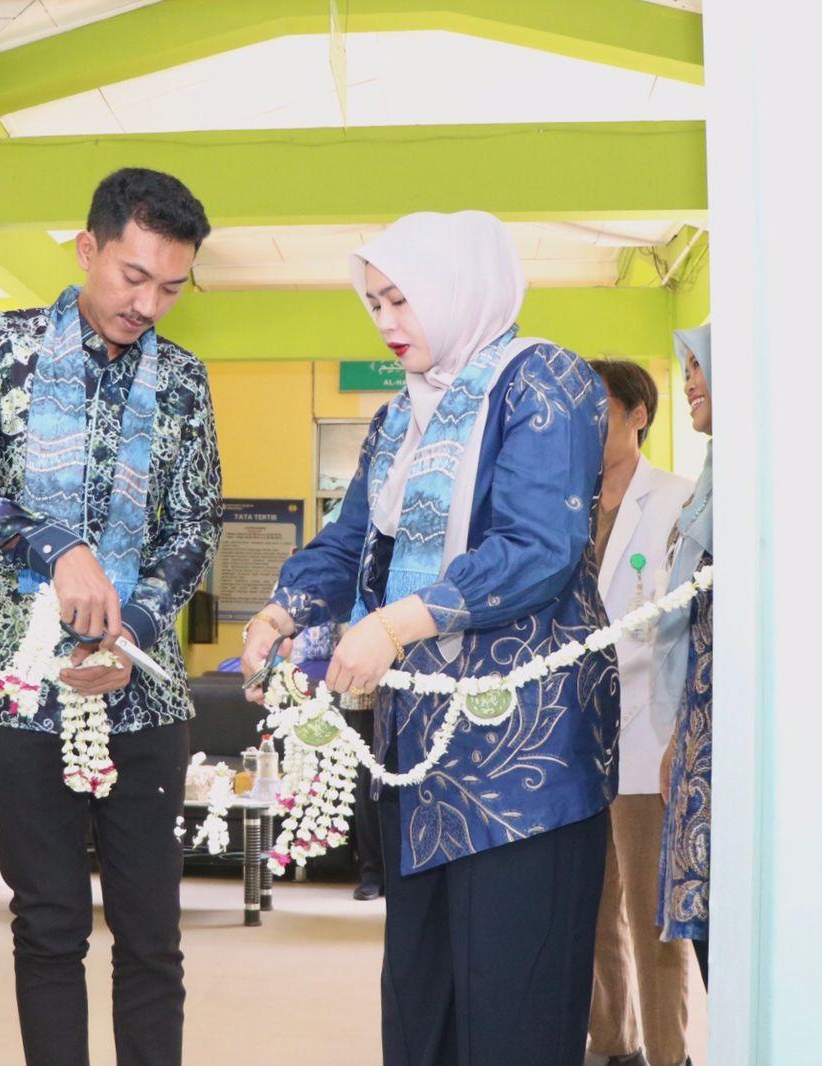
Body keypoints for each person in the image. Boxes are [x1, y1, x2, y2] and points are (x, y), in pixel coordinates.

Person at [243, 211, 620, 1066]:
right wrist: (280, 612)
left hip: (527, 757)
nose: (386, 322)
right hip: (422, 757)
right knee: (425, 1005)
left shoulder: (543, 382)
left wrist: (394, 624)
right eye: (374, 303)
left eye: (401, 299)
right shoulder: (398, 419)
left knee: (514, 1008)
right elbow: (350, 542)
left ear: (458, 290)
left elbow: (539, 546)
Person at [0, 167, 222, 1066]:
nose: (150, 304)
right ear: (87, 248)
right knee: (49, 928)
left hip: (141, 693)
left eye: (172, 286)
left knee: (151, 938)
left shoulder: (181, 378)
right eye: (134, 276)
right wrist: (57, 547)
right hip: (21, 693)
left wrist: (129, 624)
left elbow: (196, 520)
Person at [582, 360, 696, 1066]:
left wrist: (682, 734)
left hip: (648, 729)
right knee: (591, 919)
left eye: (601, 412)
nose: (586, 428)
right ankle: (611, 1046)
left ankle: (668, 1055)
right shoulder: (566, 505)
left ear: (638, 415)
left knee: (655, 920)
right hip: (574, 743)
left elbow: (688, 629)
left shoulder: (677, 501)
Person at [656, 324, 713, 988]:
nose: (690, 380)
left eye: (701, 366)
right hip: (697, 718)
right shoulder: (712, 474)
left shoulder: (750, 479)